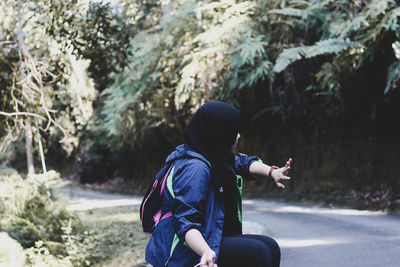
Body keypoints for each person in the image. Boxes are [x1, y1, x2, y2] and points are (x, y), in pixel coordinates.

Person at [145, 101, 292, 267]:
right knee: (259, 253)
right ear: (218, 133)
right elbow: (185, 222)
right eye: (232, 131)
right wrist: (205, 252)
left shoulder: (213, 156)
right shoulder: (196, 168)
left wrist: (272, 172)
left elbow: (242, 163)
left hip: (209, 237)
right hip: (184, 251)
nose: (238, 136)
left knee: (271, 247)